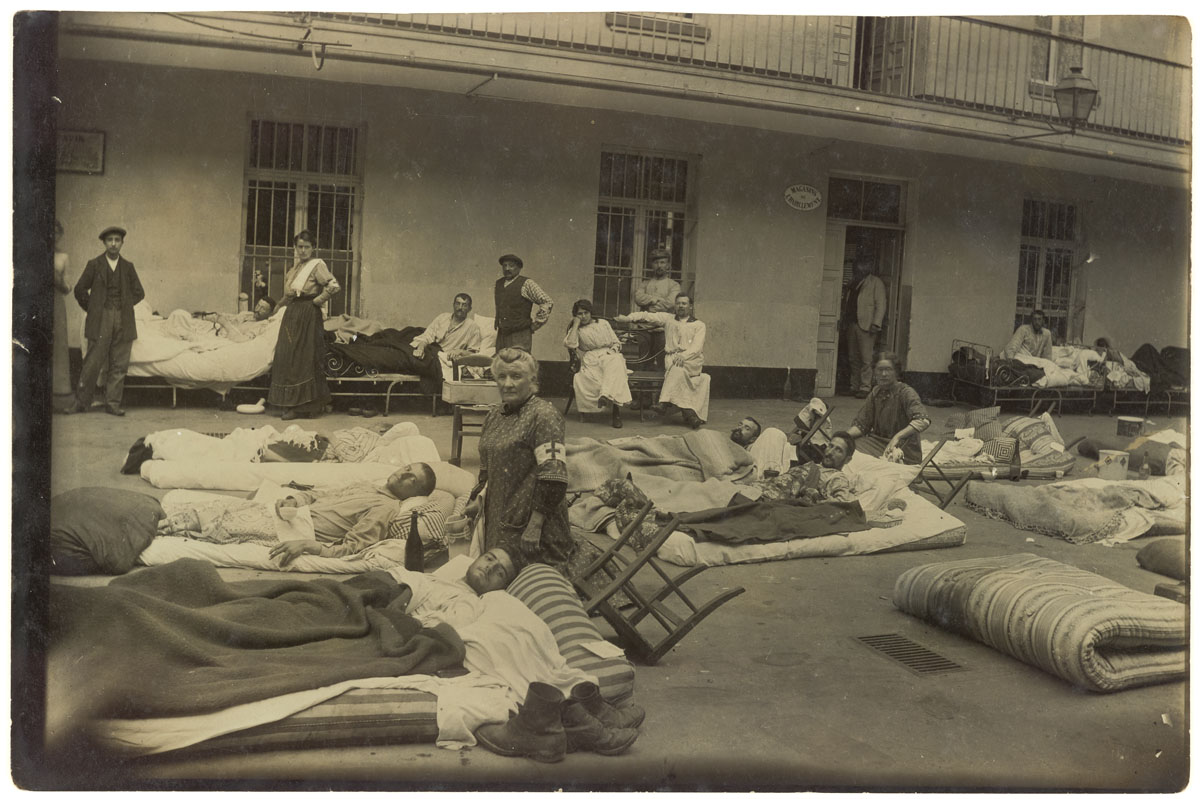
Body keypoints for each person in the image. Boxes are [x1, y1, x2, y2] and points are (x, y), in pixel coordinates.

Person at [470, 347, 575, 574]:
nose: (508, 383)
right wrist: (477, 501)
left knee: (528, 585)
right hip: (500, 518)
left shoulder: (544, 416)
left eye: (516, 376)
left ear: (532, 379)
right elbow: (487, 469)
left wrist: (535, 525)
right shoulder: (494, 415)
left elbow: (554, 477)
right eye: (502, 376)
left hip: (533, 525)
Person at [264, 463, 439, 564]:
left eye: (412, 479)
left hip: (293, 530)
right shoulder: (367, 485)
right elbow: (321, 494)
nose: (403, 474)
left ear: (415, 494)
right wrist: (293, 500)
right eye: (406, 468)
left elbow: (353, 548)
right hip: (288, 514)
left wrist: (307, 545)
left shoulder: (385, 508)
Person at [64, 225, 145, 416]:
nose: (114, 244)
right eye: (110, 240)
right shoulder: (94, 264)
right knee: (92, 362)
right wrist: (93, 309)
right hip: (101, 318)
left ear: (122, 243)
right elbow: (79, 290)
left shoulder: (128, 267)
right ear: (104, 243)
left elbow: (140, 293)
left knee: (119, 363)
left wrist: (124, 305)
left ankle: (113, 403)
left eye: (117, 240)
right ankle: (81, 402)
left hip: (123, 319)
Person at [268, 230, 341, 421]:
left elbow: (334, 286)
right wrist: (279, 305)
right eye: (299, 247)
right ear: (295, 248)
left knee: (303, 358)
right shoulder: (295, 269)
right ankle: (292, 403)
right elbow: (291, 294)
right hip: (293, 313)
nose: (303, 250)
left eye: (307, 247)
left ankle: (302, 408)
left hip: (308, 314)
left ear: (313, 248)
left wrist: (317, 301)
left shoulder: (317, 265)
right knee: (287, 356)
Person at [614, 294, 709, 429]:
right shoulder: (668, 319)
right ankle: (690, 415)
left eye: (684, 303)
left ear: (691, 306)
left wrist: (684, 356)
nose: (681, 306)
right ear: (675, 306)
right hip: (672, 359)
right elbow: (646, 316)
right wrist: (628, 318)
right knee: (676, 369)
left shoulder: (699, 325)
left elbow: (697, 347)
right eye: (678, 303)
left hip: (691, 361)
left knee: (677, 370)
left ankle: (664, 402)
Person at [846, 351, 930, 465]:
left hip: (902, 449)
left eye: (888, 369)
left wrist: (898, 436)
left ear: (896, 372)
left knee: (854, 458)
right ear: (874, 372)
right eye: (880, 370)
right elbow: (862, 425)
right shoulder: (876, 392)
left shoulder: (906, 392)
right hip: (878, 442)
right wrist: (843, 437)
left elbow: (922, 420)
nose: (884, 374)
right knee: (846, 446)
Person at [564, 299, 631, 429]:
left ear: (591, 312)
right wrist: (575, 325)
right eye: (579, 314)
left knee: (615, 360)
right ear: (575, 315)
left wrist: (612, 351)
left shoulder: (603, 323)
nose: (583, 316)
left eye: (585, 313)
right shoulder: (576, 330)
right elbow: (571, 344)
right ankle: (615, 414)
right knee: (616, 373)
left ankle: (605, 396)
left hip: (609, 354)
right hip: (592, 360)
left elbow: (616, 342)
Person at [754, 431, 857, 504]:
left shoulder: (837, 477)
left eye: (838, 450)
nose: (830, 452)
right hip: (767, 486)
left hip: (773, 497)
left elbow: (841, 504)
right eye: (830, 446)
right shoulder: (817, 466)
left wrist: (814, 496)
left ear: (848, 459)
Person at [842, 260, 887, 399]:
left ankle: (865, 387)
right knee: (853, 358)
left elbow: (881, 304)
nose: (859, 267)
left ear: (868, 267)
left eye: (863, 265)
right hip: (852, 324)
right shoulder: (853, 283)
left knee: (866, 359)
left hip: (866, 325)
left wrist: (876, 323)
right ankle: (854, 386)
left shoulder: (875, 283)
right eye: (858, 265)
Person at [493, 253, 553, 352]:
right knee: (501, 364)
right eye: (505, 266)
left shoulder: (527, 283)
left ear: (519, 268)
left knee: (519, 364)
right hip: (502, 335)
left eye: (511, 266)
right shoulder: (498, 284)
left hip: (520, 335)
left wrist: (537, 324)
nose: (507, 268)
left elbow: (547, 302)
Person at [412, 292, 483, 360]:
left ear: (469, 309)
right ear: (453, 305)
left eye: (464, 305)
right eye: (458, 304)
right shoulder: (442, 317)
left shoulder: (473, 326)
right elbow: (427, 336)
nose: (460, 308)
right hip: (429, 349)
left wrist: (459, 351)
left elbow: (473, 353)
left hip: (443, 357)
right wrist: (420, 348)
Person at [52, 220, 73, 410]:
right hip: (35, 302)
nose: (53, 236)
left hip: (56, 302)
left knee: (57, 344)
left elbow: (68, 287)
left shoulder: (63, 257)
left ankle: (59, 390)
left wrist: (57, 279)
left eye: (57, 233)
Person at [204, 296, 277, 342]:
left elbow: (242, 340)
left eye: (263, 308)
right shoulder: (247, 314)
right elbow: (231, 317)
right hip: (215, 331)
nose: (257, 309)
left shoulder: (262, 325)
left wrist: (225, 324)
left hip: (225, 340)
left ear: (270, 313)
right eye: (258, 305)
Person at [633, 249, 680, 314]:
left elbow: (671, 303)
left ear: (668, 265)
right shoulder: (644, 283)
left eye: (662, 262)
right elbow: (638, 298)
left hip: (665, 322)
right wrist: (655, 299)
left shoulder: (674, 285)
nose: (659, 266)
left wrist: (649, 307)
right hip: (645, 322)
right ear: (652, 265)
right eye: (656, 263)